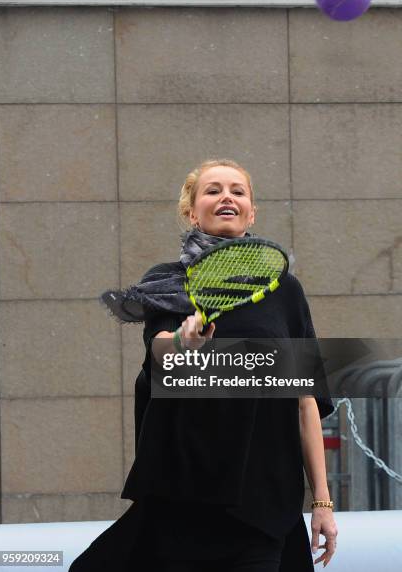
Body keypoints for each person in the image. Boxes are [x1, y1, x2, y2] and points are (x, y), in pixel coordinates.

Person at [69, 158, 338, 572]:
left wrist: (321, 501)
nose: (226, 196)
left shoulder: (285, 290)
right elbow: (160, 356)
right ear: (192, 212)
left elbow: (305, 402)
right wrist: (185, 342)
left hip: (262, 500)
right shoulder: (166, 282)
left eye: (238, 191)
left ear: (251, 211)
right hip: (184, 496)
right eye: (213, 190)